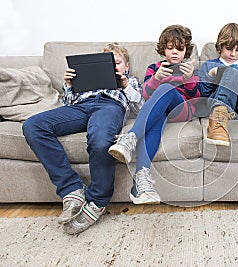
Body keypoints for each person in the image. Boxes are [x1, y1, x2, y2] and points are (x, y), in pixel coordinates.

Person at [22, 43, 144, 234]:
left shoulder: (131, 81)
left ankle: (97, 201)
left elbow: (140, 107)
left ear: (126, 67)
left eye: (117, 63)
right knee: (32, 125)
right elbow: (68, 104)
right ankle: (72, 190)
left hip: (110, 107)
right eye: (108, 64)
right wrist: (69, 86)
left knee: (100, 140)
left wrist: (125, 86)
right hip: (80, 107)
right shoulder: (85, 82)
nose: (113, 67)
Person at [108, 25, 200, 204]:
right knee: (156, 118)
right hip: (161, 111)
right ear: (163, 49)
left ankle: (130, 137)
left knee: (166, 89)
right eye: (170, 48)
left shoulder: (189, 70)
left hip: (182, 109)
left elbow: (196, 99)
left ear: (186, 51)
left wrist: (189, 79)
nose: (175, 53)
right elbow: (146, 98)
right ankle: (141, 183)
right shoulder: (153, 68)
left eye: (180, 49)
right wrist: (156, 78)